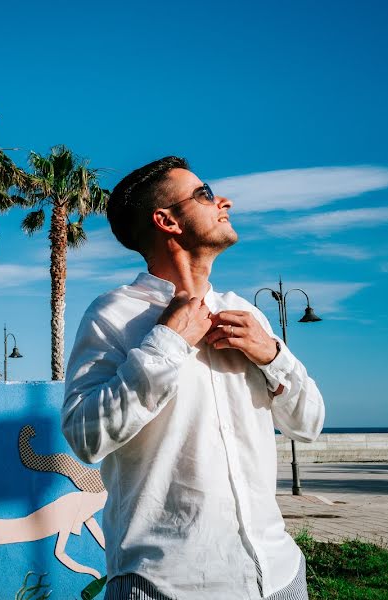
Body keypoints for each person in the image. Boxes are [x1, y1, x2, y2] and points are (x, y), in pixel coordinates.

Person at [62, 156, 325, 599]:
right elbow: (85, 437)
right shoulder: (114, 315)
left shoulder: (248, 313)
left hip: (279, 575)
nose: (225, 200)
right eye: (205, 194)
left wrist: (271, 354)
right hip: (167, 583)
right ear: (166, 220)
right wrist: (167, 341)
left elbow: (310, 423)